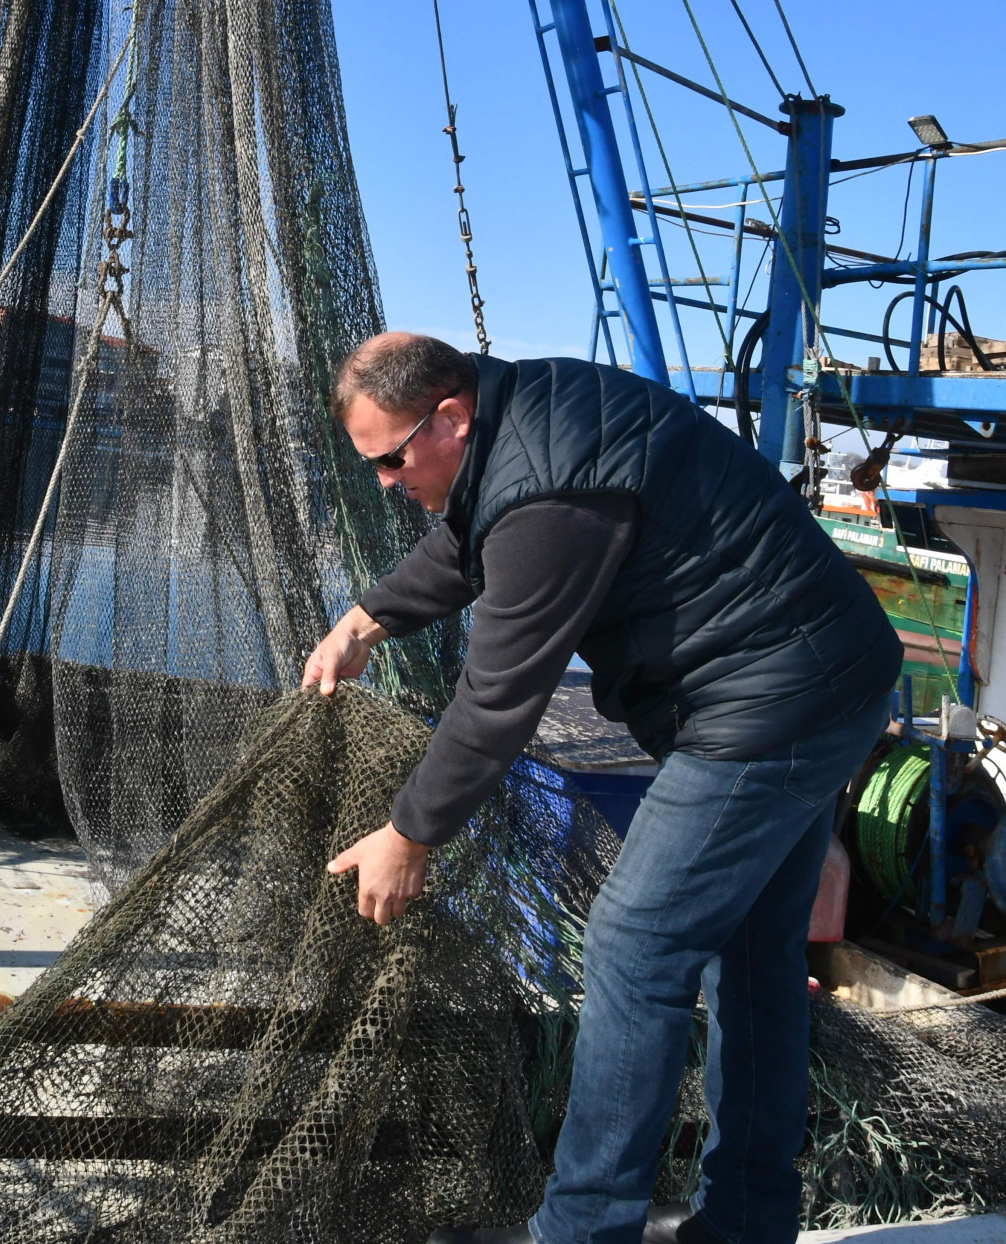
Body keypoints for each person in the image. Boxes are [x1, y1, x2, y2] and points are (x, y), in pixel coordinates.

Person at [302, 332, 901, 1244]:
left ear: (451, 418)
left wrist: (408, 834)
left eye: (390, 459)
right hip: (821, 672)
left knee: (633, 945)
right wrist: (366, 618)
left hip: (773, 704)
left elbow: (498, 697)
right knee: (747, 960)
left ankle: (582, 1229)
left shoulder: (550, 489)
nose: (386, 481)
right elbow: (470, 540)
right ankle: (745, 1222)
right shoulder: (525, 422)